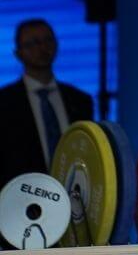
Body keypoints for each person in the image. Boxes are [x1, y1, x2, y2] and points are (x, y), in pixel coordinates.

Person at [0, 19, 94, 189]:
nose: (42, 48)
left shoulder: (80, 100)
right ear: (18, 53)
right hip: (21, 199)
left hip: (75, 195)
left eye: (48, 40)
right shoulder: (4, 102)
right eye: (33, 43)